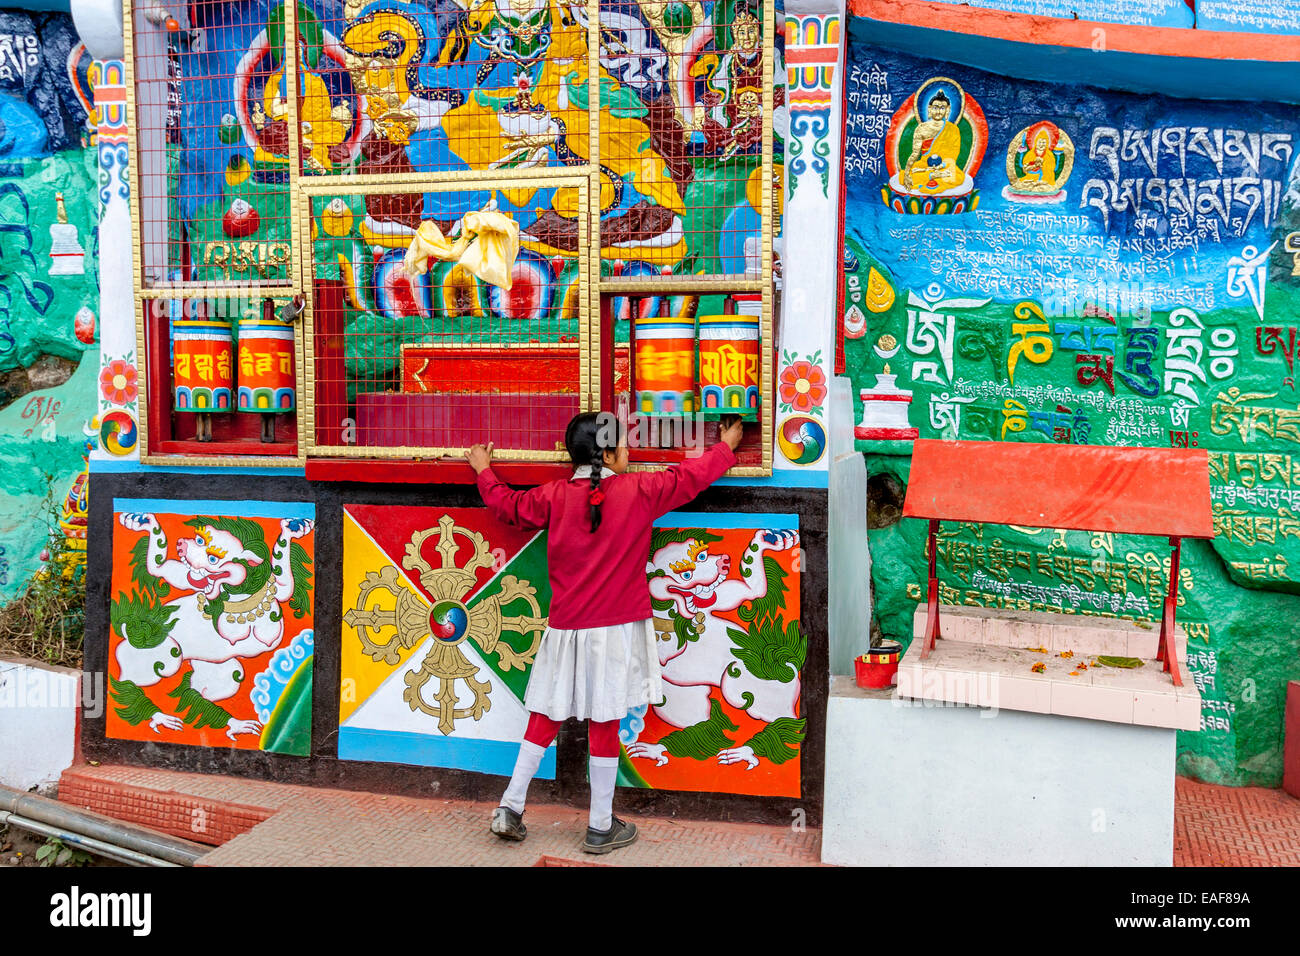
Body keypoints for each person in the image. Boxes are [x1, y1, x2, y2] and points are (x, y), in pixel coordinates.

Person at [467, 411, 744, 853]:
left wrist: (484, 470)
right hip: (617, 629)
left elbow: (508, 507)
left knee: (545, 715)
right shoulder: (640, 491)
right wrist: (725, 447)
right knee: (605, 720)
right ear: (611, 452)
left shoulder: (554, 496)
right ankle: (599, 826)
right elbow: (689, 478)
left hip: (565, 628)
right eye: (625, 446)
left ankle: (510, 806)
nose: (630, 454)